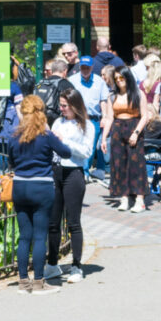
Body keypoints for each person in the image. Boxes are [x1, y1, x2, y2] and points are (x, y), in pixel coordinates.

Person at [6, 95, 72, 294]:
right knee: (40, 236)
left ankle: (23, 282)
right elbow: (66, 153)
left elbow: (11, 162)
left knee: (24, 236)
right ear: (41, 112)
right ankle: (39, 282)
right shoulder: (46, 135)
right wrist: (58, 139)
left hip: (20, 186)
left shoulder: (14, 136)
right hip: (41, 186)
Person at [47, 89, 94, 281]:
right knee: (53, 221)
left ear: (75, 105)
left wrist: (64, 141)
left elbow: (86, 151)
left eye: (65, 105)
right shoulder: (58, 121)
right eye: (61, 105)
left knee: (73, 221)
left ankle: (76, 265)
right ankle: (52, 263)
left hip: (73, 172)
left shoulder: (86, 125)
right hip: (56, 170)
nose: (62, 109)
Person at [104, 67, 150, 212]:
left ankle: (139, 199)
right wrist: (104, 138)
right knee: (119, 164)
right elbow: (110, 118)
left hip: (133, 127)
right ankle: (123, 197)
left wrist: (136, 132)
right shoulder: (112, 96)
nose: (119, 81)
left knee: (136, 165)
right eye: (116, 79)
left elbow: (145, 116)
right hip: (117, 129)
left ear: (127, 77)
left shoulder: (138, 94)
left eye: (121, 78)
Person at [71, 52, 110, 182]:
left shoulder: (99, 82)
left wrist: (104, 116)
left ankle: (86, 172)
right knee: (78, 144)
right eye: (83, 67)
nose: (85, 70)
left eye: (87, 67)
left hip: (94, 118)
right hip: (77, 118)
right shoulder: (73, 80)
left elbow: (103, 100)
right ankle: (82, 172)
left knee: (91, 146)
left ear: (92, 67)